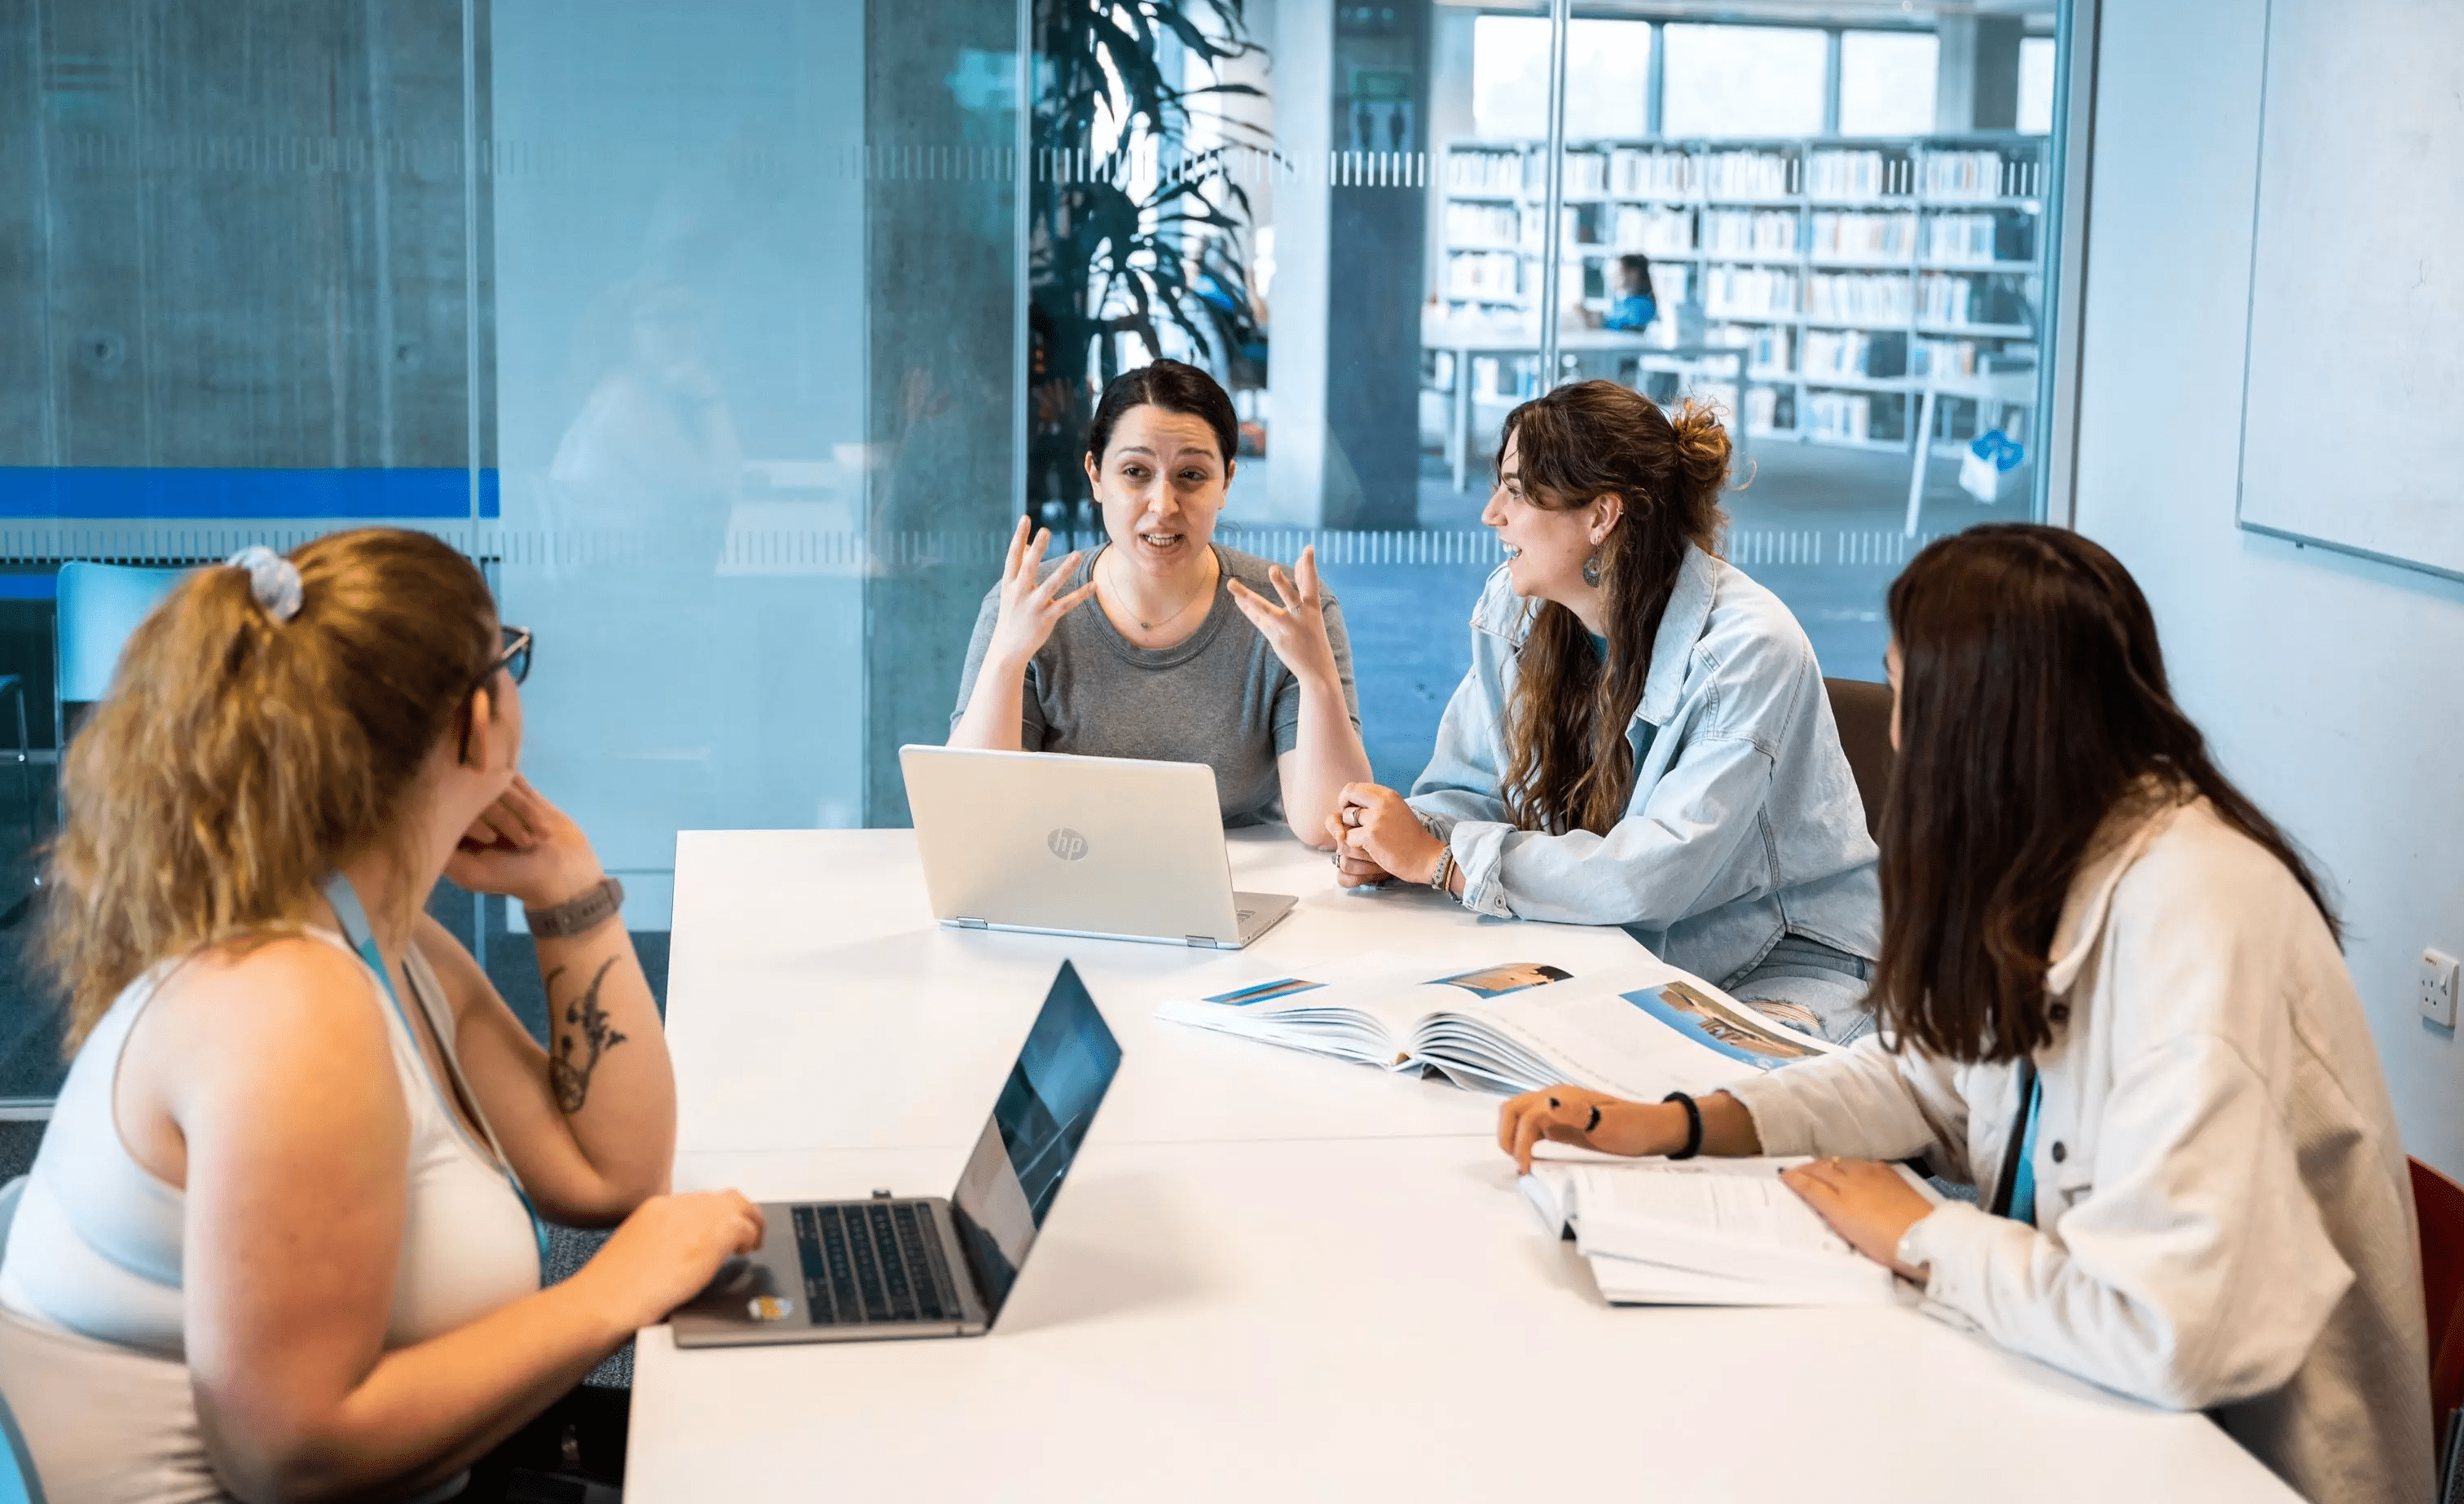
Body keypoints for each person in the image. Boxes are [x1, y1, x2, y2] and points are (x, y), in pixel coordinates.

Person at [1497, 526, 2431, 1504]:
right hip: (2076, 1399)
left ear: (1984, 723)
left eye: (1907, 698)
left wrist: (1917, 1234)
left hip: (2230, 1462)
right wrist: (1688, 1124)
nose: (1895, 735)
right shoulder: (2061, 847)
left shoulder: (2203, 915)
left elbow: (2167, 1330)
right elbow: (1924, 1073)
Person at [0, 532, 765, 1502]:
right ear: (476, 723)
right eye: (512, 656)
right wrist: (614, 1292)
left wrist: (568, 888)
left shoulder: (375, 939)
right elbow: (287, 1452)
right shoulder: (290, 1006)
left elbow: (610, 1173)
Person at [1328, 380, 1881, 1042]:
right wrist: (1402, 840)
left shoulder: (1748, 647)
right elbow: (1469, 789)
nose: (1491, 514)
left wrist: (1445, 863)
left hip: (1777, 963)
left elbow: (1655, 874)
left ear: (1601, 517)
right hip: (1617, 946)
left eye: (1517, 489)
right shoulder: (1519, 606)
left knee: (1667, 1098)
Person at [949, 358, 1370, 843]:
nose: (1163, 505)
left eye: (1191, 475)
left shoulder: (1288, 613)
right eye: (1135, 472)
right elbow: (973, 812)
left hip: (1246, 883)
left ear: (1226, 482)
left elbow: (1327, 826)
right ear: (1095, 475)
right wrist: (1007, 656)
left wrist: (1316, 679)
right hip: (1068, 873)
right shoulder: (1028, 604)